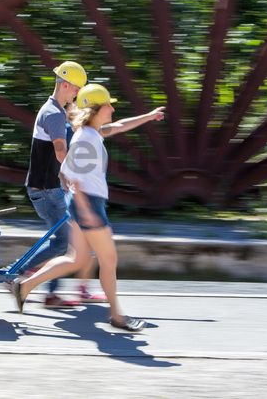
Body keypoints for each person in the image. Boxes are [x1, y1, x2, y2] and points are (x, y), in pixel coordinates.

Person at [12, 84, 165, 332]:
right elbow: (72, 177)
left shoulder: (90, 133)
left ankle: (25, 286)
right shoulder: (85, 139)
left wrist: (148, 117)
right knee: (109, 259)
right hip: (89, 204)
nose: (113, 108)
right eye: (108, 104)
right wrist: (85, 210)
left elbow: (66, 171)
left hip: (82, 204)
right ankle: (116, 316)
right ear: (95, 109)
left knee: (77, 259)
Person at [5, 61, 92, 308]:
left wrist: (66, 181)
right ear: (65, 85)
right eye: (76, 89)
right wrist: (76, 176)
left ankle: (37, 285)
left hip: (49, 188)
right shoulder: (53, 114)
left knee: (64, 242)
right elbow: (60, 151)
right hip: (45, 190)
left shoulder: (52, 109)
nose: (77, 94)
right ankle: (15, 273)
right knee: (63, 243)